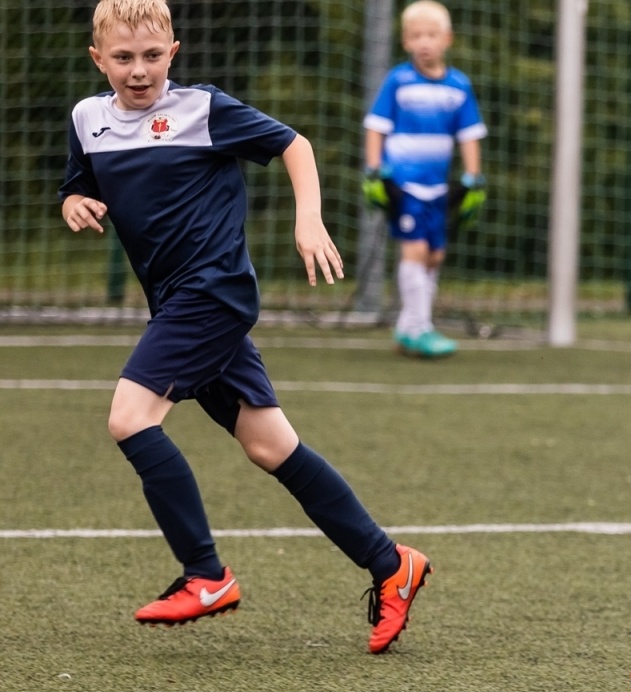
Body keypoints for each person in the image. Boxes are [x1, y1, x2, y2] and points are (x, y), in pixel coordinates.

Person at [60, 0, 431, 654]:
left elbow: (294, 144)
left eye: (152, 56)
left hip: (214, 294)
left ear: (173, 52)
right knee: (271, 446)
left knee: (129, 417)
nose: (139, 71)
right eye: (123, 58)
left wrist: (307, 219)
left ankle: (205, 574)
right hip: (176, 302)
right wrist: (74, 201)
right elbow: (77, 182)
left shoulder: (204, 109)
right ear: (98, 60)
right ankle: (390, 564)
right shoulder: (88, 120)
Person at [362, 0, 487, 359]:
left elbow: (469, 134)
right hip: (404, 184)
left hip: (439, 188)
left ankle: (408, 325)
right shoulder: (398, 81)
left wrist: (474, 178)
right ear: (405, 41)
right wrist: (373, 170)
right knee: (414, 250)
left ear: (447, 39)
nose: (424, 42)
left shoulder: (458, 86)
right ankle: (420, 328)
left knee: (434, 255)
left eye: (431, 35)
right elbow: (376, 127)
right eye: (416, 35)